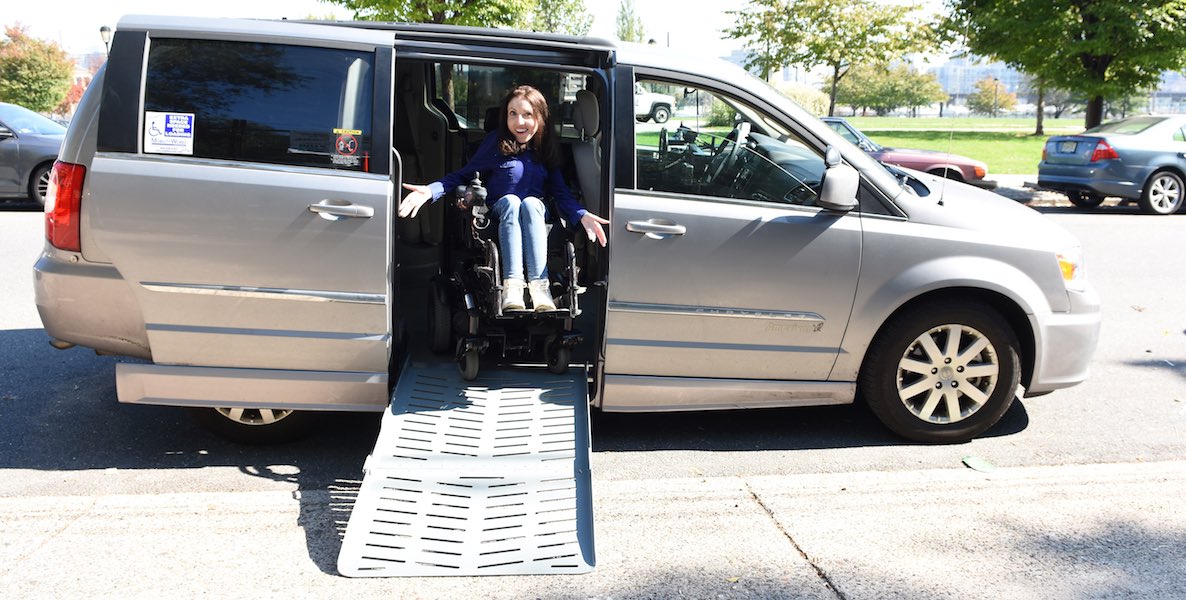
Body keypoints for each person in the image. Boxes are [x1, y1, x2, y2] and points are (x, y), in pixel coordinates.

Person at [399, 85, 609, 312]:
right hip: (499, 210)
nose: (520, 122)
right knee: (512, 201)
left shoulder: (546, 148)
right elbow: (461, 176)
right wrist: (430, 191)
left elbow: (561, 192)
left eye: (527, 114)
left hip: (534, 213)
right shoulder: (495, 143)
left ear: (539, 116)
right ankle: (513, 288)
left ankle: (540, 289)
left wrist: (581, 215)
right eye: (513, 114)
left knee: (529, 203)